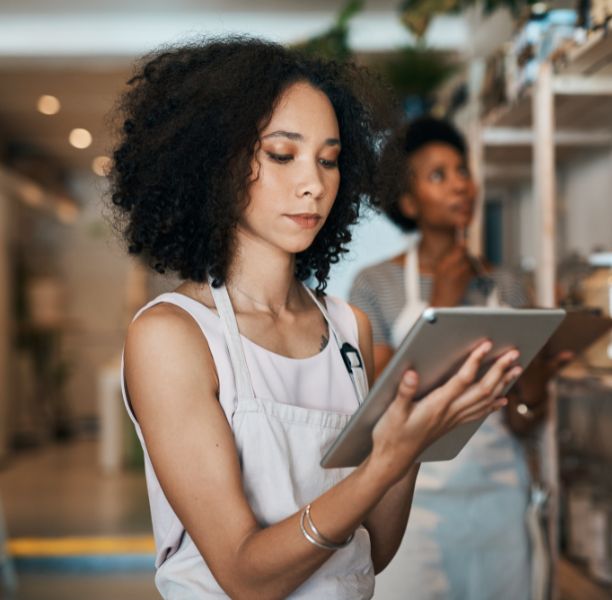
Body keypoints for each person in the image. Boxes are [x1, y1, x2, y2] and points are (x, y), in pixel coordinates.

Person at [110, 38, 522, 599]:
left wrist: (414, 442)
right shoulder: (173, 335)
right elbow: (245, 576)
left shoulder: (350, 329)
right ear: (215, 165)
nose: (315, 183)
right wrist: (388, 460)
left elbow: (372, 551)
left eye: (328, 159)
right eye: (283, 154)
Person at [349, 117, 568, 600]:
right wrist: (444, 302)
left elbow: (526, 419)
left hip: (499, 499)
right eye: (438, 175)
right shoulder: (374, 285)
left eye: (462, 171)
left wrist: (537, 375)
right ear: (408, 203)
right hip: (411, 504)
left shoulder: (506, 286)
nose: (460, 185)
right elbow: (382, 405)